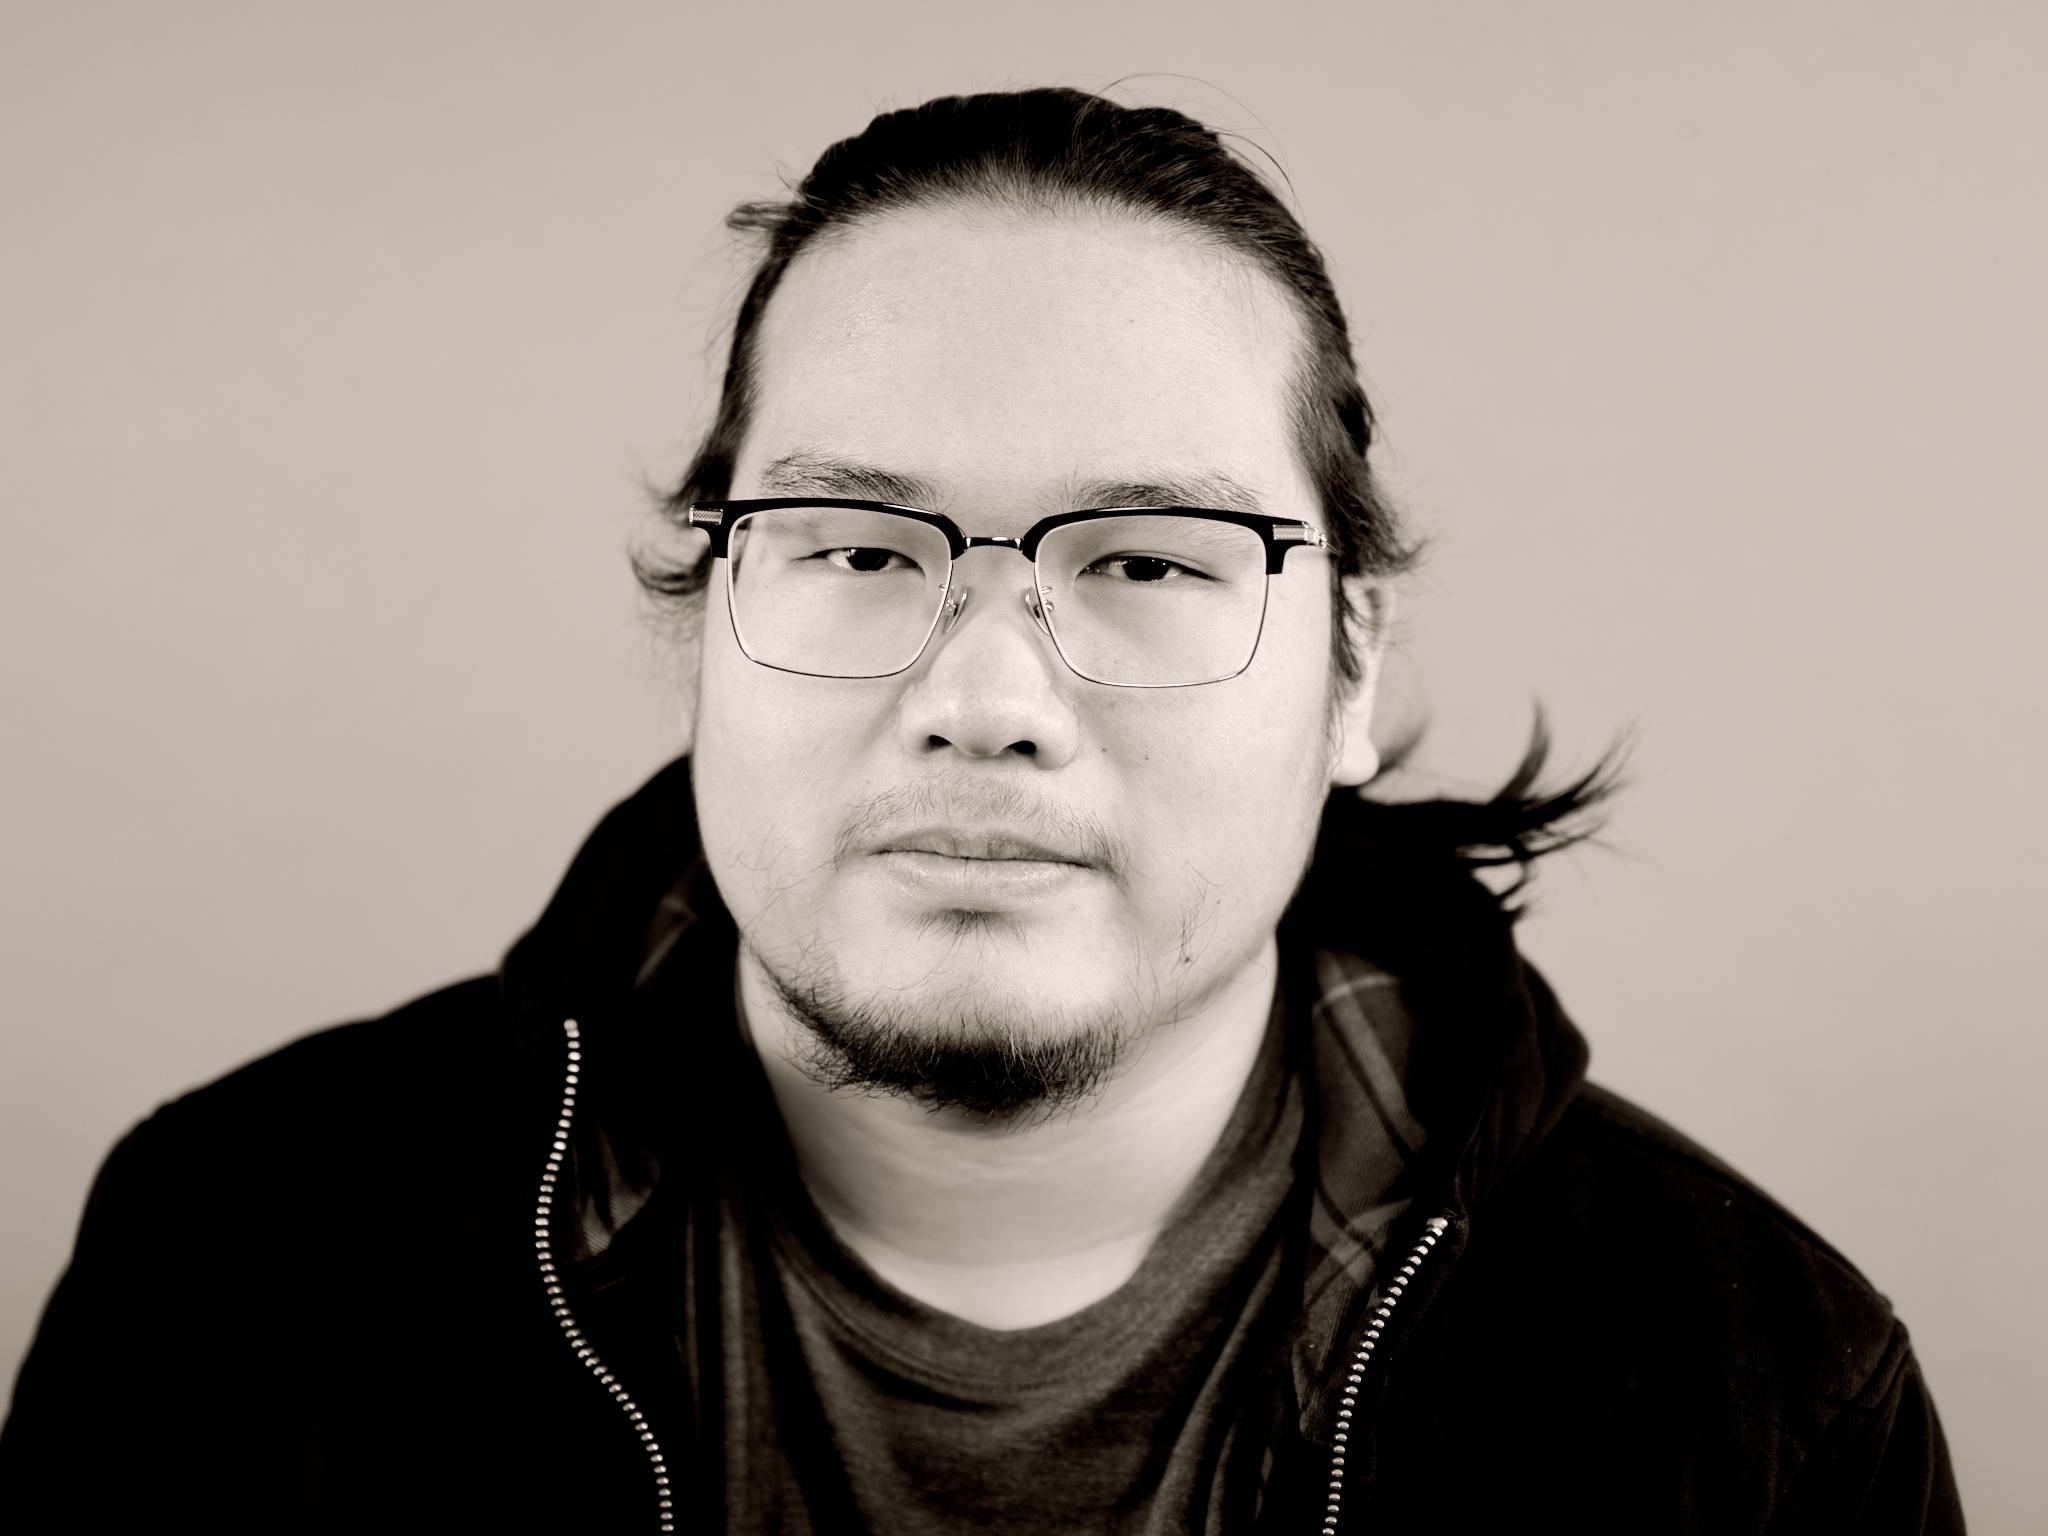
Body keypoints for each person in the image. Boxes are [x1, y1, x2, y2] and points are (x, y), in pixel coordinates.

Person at [0, 87, 1963, 1533]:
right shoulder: (237, 1268)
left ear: (1350, 666)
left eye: (1149, 560)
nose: (988, 703)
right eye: (861, 551)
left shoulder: (1762, 1395)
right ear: (711, 614)